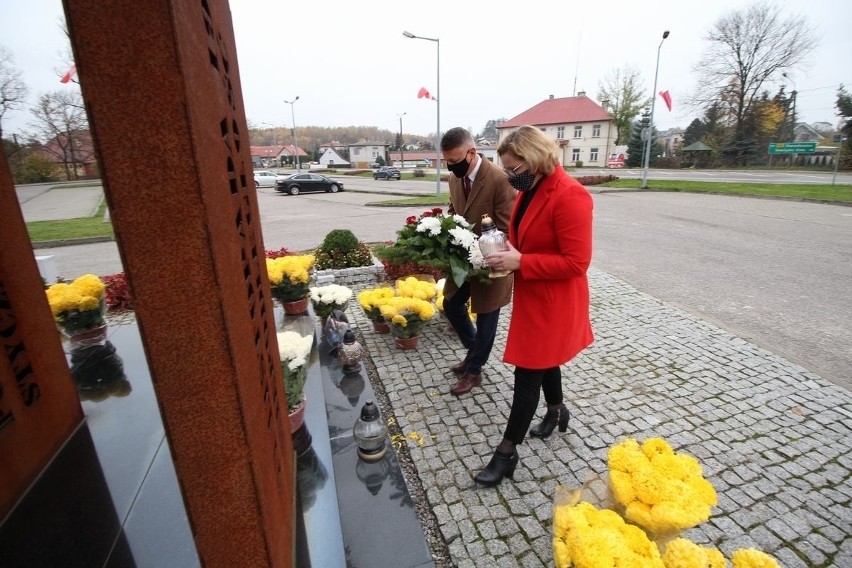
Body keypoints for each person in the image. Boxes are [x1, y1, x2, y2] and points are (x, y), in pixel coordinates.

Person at [475, 125, 594, 487]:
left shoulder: (571, 195)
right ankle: (558, 410)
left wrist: (521, 262)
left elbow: (577, 263)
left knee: (528, 372)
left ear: (535, 159)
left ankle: (506, 453)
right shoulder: (532, 188)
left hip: (555, 301)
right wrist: (501, 249)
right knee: (545, 360)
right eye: (507, 170)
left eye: (513, 169)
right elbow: (524, 234)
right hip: (535, 295)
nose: (510, 177)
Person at [439, 127, 517, 396]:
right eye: (448, 161)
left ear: (472, 153)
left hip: (492, 262)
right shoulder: (453, 178)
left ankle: (474, 370)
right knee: (451, 304)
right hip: (463, 263)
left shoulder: (499, 179)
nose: (452, 166)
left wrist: (484, 251)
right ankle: (474, 354)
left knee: (486, 317)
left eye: (456, 160)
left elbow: (510, 227)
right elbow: (454, 212)